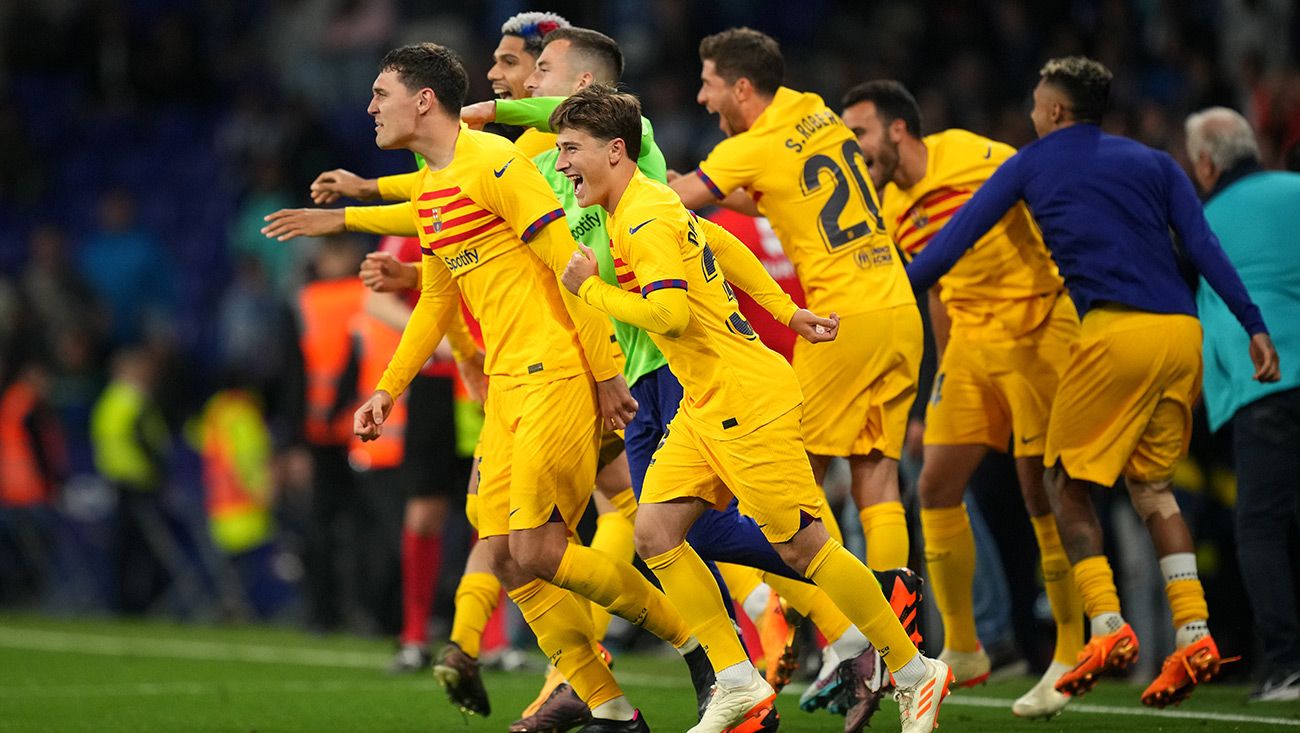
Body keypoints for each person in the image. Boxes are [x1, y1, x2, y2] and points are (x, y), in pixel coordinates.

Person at [554, 84, 953, 733]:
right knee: (656, 533)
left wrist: (591, 289)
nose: (564, 161)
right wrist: (786, 310)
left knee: (805, 548)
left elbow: (670, 312)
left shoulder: (644, 218)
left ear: (616, 151)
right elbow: (722, 245)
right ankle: (736, 679)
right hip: (707, 402)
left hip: (745, 398)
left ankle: (914, 669)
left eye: (572, 148)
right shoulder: (648, 201)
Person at [342, 43, 713, 732]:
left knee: (539, 547)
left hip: (557, 371)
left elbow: (569, 265)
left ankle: (703, 651)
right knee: (509, 553)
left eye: (380, 93)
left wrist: (605, 375)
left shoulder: (498, 164)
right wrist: (389, 389)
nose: (370, 107)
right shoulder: (433, 184)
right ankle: (609, 706)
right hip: (509, 385)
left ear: (423, 100)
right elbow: (435, 302)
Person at [907, 56, 1281, 708]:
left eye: (1034, 105)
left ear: (1055, 111)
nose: (1028, 115)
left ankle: (1105, 625)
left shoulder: (1030, 161)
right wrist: (1252, 323)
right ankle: (1195, 632)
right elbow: (1204, 246)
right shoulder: (1157, 163)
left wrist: (885, 291)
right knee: (1153, 487)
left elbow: (950, 245)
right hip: (1180, 334)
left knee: (1062, 480)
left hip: (1114, 333)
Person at [841, 79, 1084, 717]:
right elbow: (936, 293)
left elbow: (1049, 211)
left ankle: (1069, 650)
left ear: (898, 130)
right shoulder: (888, 205)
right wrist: (941, 376)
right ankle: (967, 646)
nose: (855, 149)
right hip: (969, 349)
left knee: (1043, 492)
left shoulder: (976, 156)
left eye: (861, 134)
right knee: (935, 487)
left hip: (1035, 330)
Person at [669, 28, 922, 578]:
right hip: (899, 311)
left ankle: (845, 638)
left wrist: (676, 184)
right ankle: (897, 638)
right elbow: (779, 195)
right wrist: (698, 184)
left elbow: (667, 209)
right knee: (876, 476)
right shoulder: (817, 113)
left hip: (841, 321)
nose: (701, 98)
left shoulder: (748, 147)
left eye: (709, 85)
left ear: (740, 89)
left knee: (783, 473)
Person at [1185, 106, 1300, 703]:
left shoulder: (1203, 220)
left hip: (1264, 389)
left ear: (1204, 163)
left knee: (1260, 528)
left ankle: (1286, 663)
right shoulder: (1296, 189)